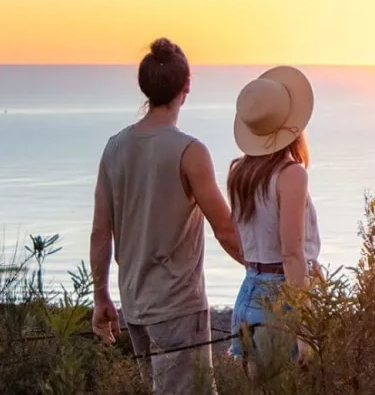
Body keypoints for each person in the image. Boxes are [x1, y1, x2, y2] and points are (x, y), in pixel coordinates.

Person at [90, 38, 245, 394]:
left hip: (135, 308)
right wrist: (268, 273)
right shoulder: (190, 152)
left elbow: (101, 232)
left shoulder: (114, 147)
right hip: (177, 308)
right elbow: (226, 230)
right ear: (186, 86)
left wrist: (102, 297)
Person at [225, 66, 321, 364]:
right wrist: (305, 331)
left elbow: (241, 242)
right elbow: (292, 254)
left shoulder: (239, 172)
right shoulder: (291, 175)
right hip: (280, 297)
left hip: (248, 292)